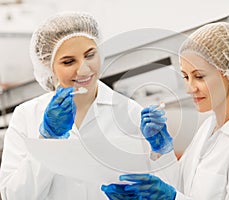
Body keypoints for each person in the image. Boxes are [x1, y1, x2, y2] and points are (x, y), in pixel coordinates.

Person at [101, 22, 229, 199]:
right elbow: (182, 186)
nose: (190, 88)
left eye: (199, 76)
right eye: (185, 77)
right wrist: (163, 151)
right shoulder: (209, 130)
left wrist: (172, 198)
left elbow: (177, 195)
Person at [0, 11, 149, 200]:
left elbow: (148, 184)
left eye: (90, 55)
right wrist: (48, 140)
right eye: (68, 61)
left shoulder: (130, 111)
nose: (84, 69)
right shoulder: (27, 115)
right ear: (48, 65)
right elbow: (13, 196)